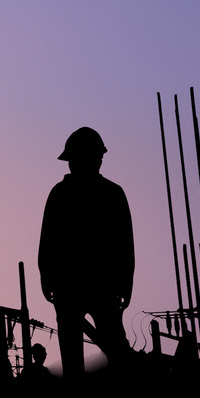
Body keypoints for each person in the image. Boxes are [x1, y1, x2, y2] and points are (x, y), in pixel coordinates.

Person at [36, 126, 134, 376]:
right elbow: (48, 241)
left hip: (85, 285)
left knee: (105, 352)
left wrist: (47, 279)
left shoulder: (66, 194)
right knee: (97, 352)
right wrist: (125, 284)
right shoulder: (109, 193)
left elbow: (124, 243)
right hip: (87, 285)